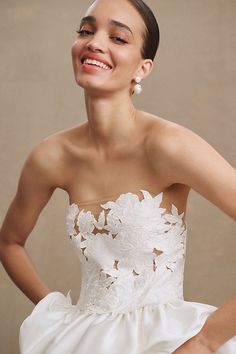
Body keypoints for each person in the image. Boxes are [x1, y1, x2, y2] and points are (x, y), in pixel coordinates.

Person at [0, 0, 235, 353]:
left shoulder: (168, 144)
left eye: (118, 38)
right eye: (86, 30)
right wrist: (52, 311)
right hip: (84, 340)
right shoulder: (51, 156)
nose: (95, 42)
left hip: (165, 340)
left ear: (143, 67)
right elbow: (9, 241)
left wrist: (205, 340)